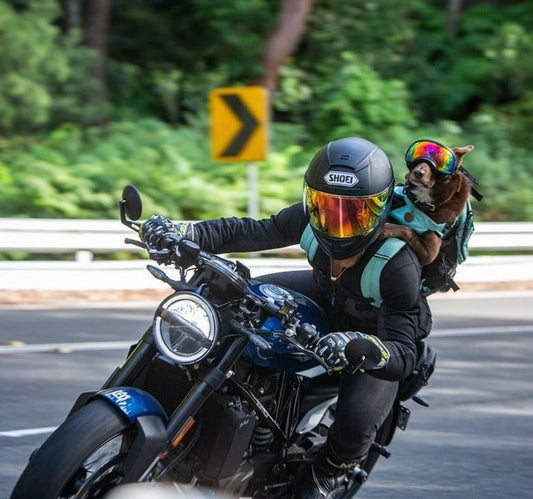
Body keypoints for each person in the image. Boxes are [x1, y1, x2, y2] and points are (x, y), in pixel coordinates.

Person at [140, 137, 432, 498]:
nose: (337, 223)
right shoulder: (306, 221)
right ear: (311, 200)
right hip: (328, 294)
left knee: (355, 423)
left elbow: (402, 350)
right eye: (326, 207)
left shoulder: (398, 264)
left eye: (354, 213)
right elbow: (251, 229)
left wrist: (367, 348)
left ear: (381, 209)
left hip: (373, 332)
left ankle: (328, 474)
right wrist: (188, 232)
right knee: (228, 297)